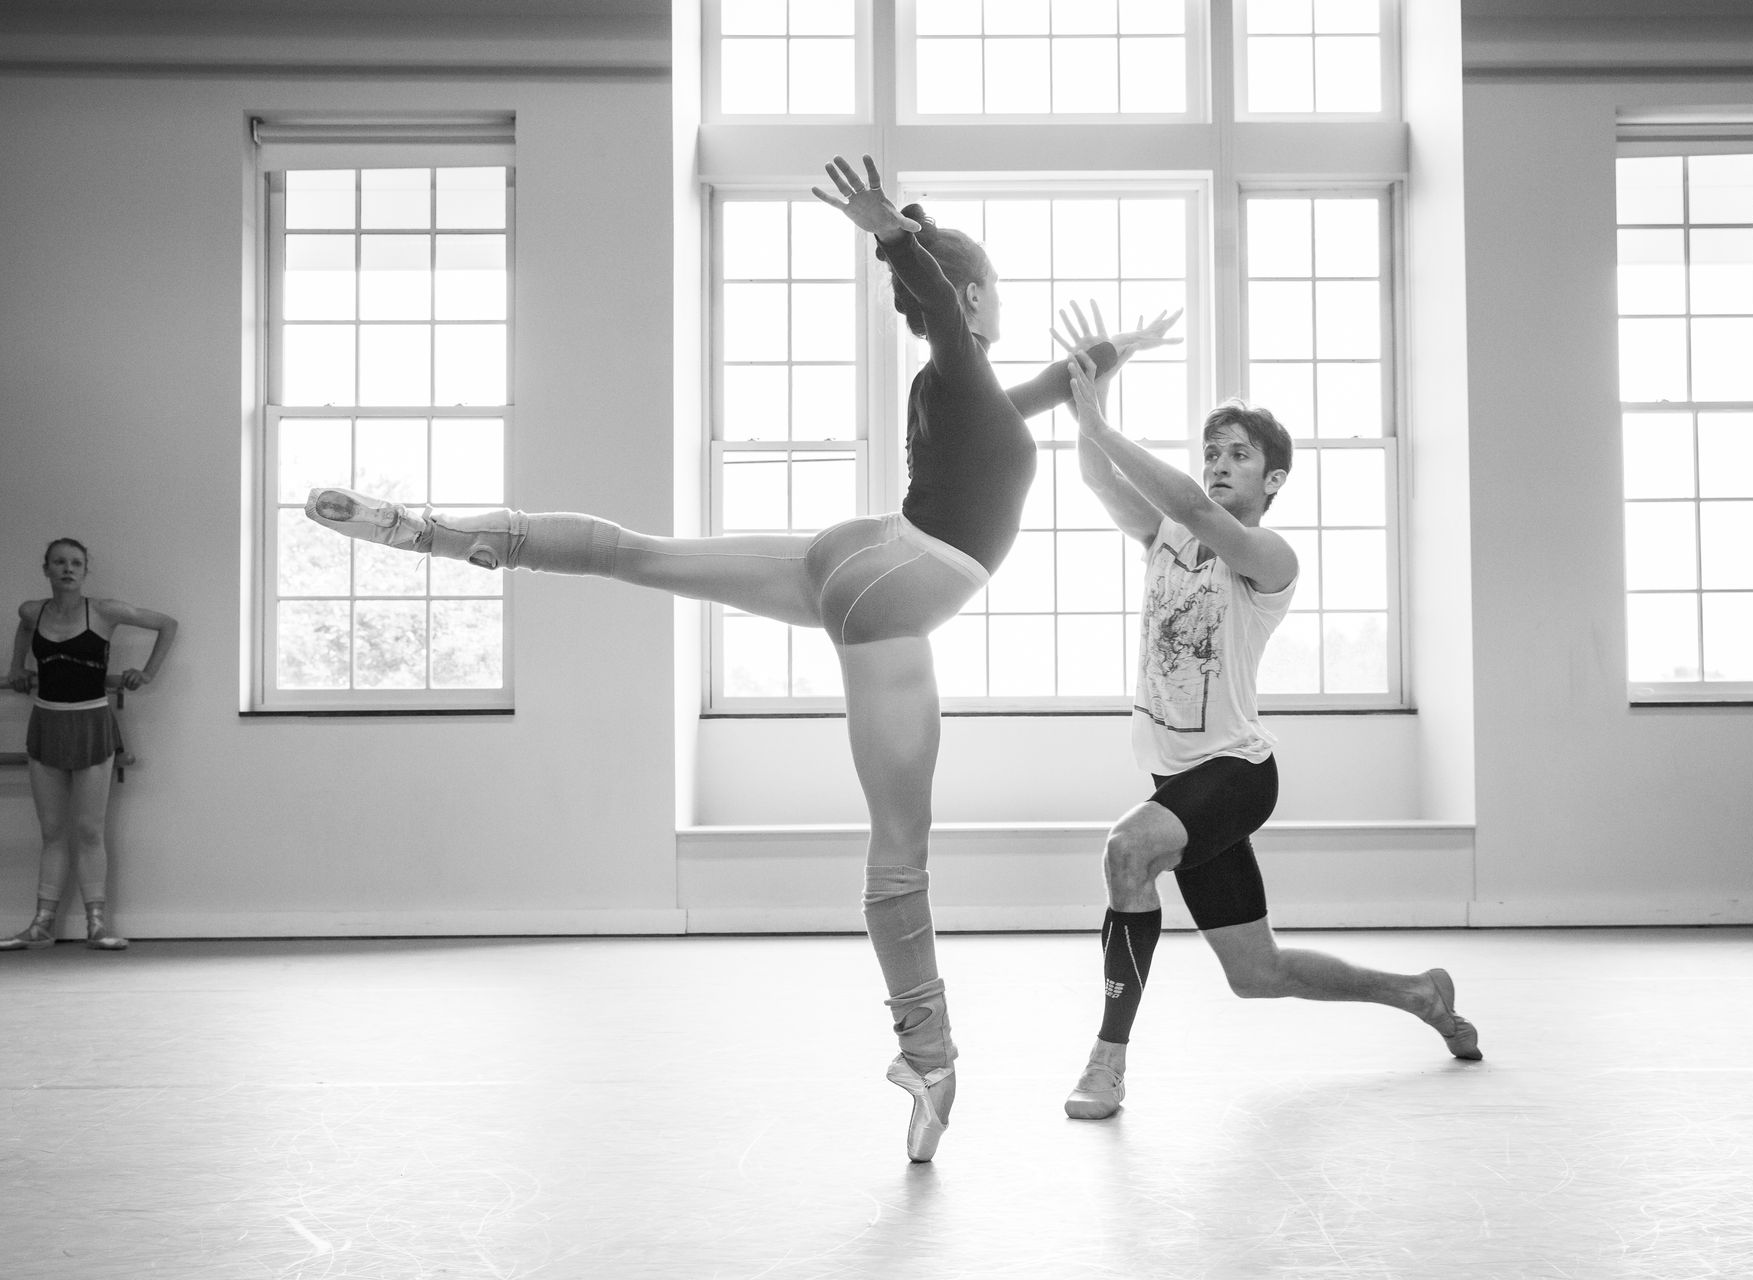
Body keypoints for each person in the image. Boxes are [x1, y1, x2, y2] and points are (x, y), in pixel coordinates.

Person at [305, 155, 1179, 1162]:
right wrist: (892, 232)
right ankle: (928, 1056)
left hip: (854, 556)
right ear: (978, 296)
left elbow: (1039, 390)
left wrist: (1111, 353)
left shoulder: (962, 388)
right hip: (894, 585)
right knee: (898, 851)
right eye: (989, 297)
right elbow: (944, 307)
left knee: (641, 555)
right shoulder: (952, 353)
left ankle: (445, 532)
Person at [1053, 327, 1480, 1122]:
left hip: (1237, 774)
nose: (1218, 465)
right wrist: (1095, 399)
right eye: (1212, 451)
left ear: (1273, 477)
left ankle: (1107, 1062)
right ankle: (1419, 993)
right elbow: (1098, 476)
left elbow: (1181, 499)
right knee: (1256, 972)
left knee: (1126, 851)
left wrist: (1105, 425)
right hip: (1179, 779)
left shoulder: (1267, 558)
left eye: (1238, 455)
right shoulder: (1164, 538)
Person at [3, 538, 177, 951]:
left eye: (76, 563)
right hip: (46, 722)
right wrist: (16, 667)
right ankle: (42, 923)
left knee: (88, 830)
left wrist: (148, 673)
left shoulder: (104, 611)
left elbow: (167, 624)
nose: (68, 569)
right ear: (46, 569)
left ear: (85, 570)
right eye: (59, 563)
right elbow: (24, 630)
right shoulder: (32, 611)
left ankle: (97, 924)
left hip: (92, 722)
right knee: (52, 831)